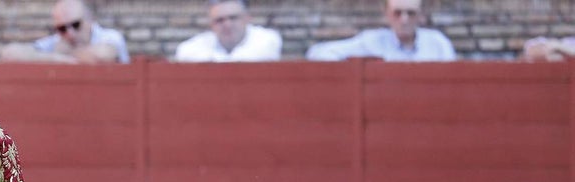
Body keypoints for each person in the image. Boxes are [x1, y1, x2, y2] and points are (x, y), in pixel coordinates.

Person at [305, 0, 456, 62]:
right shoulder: (371, 41)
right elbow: (318, 53)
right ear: (387, 15)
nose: (404, 20)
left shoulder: (438, 43)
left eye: (411, 13)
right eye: (398, 13)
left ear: (421, 16)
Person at [0, 0, 130, 64]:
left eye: (76, 24)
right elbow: (8, 54)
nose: (70, 33)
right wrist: (56, 57)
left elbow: (104, 56)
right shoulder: (56, 42)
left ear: (89, 20)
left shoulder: (109, 36)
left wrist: (61, 53)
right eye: (62, 28)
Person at [173, 1, 282, 62]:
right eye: (219, 20)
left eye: (233, 18)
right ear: (211, 25)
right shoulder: (201, 42)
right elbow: (183, 52)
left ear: (247, 18)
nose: (227, 25)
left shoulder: (267, 38)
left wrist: (212, 62)